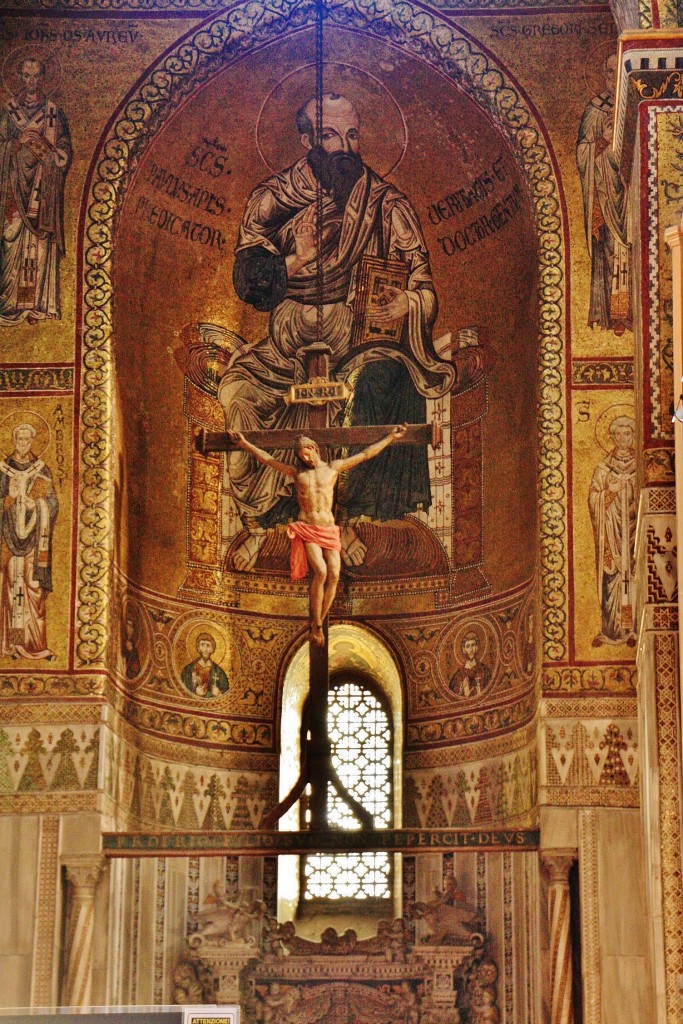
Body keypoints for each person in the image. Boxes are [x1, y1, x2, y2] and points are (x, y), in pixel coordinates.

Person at [219, 93, 454, 571]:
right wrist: (293, 260)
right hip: (284, 347)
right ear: (306, 139)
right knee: (237, 394)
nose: (344, 148)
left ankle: (344, 520)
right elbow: (246, 281)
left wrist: (404, 304)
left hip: (353, 341)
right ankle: (262, 521)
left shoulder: (386, 204)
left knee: (369, 387)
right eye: (330, 136)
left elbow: (423, 282)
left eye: (352, 136)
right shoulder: (271, 199)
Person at [228, 425, 406, 643]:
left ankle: (319, 620)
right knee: (320, 572)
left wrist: (390, 437)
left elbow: (365, 454)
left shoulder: (333, 468)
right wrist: (244, 444)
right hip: (308, 529)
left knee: (334, 574)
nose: (305, 458)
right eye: (301, 456)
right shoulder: (297, 473)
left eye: (307, 453)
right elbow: (267, 460)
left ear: (315, 449)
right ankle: (317, 623)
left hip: (329, 529)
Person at [0, 57, 72, 325]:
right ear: (19, 77)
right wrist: (16, 143)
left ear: (43, 78)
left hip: (43, 193)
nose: (31, 81)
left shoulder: (54, 113)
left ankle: (38, 305)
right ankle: (9, 305)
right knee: (10, 240)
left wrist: (59, 155)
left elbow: (64, 145)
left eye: (36, 76)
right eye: (26, 76)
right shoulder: (9, 113)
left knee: (40, 247)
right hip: (12, 193)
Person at [576, 54, 631, 334]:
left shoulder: (634, 103)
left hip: (628, 195)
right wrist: (603, 143)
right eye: (609, 71)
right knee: (608, 251)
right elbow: (582, 152)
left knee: (630, 250)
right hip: (604, 193)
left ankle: (629, 312)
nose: (613, 76)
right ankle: (610, 314)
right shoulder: (595, 109)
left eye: (617, 71)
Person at [0, 422, 58, 659]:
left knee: (35, 591)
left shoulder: (42, 470)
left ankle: (35, 646)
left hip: (35, 541)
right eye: (19, 439)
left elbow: (53, 503)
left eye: (27, 440)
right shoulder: (3, 471)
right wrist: (9, 499)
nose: (23, 444)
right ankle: (15, 645)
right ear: (13, 441)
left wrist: (40, 505)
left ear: (33, 441)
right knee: (14, 591)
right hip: (10, 541)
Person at [588, 415, 636, 646]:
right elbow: (593, 498)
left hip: (633, 534)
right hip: (611, 536)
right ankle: (611, 631)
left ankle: (629, 628)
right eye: (618, 434)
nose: (623, 438)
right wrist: (610, 493)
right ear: (612, 437)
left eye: (627, 434)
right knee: (613, 581)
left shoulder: (641, 465)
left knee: (631, 581)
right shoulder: (603, 468)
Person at [181, 632, 230, 696]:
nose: (205, 649)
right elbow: (181, 689)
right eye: (202, 645)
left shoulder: (219, 672)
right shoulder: (188, 670)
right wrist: (194, 691)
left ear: (212, 649)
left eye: (208, 645)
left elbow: (226, 693)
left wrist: (219, 693)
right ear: (198, 648)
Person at [449, 632, 491, 698]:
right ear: (464, 650)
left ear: (477, 647)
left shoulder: (485, 670)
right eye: (468, 646)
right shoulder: (458, 675)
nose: (471, 650)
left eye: (473, 645)